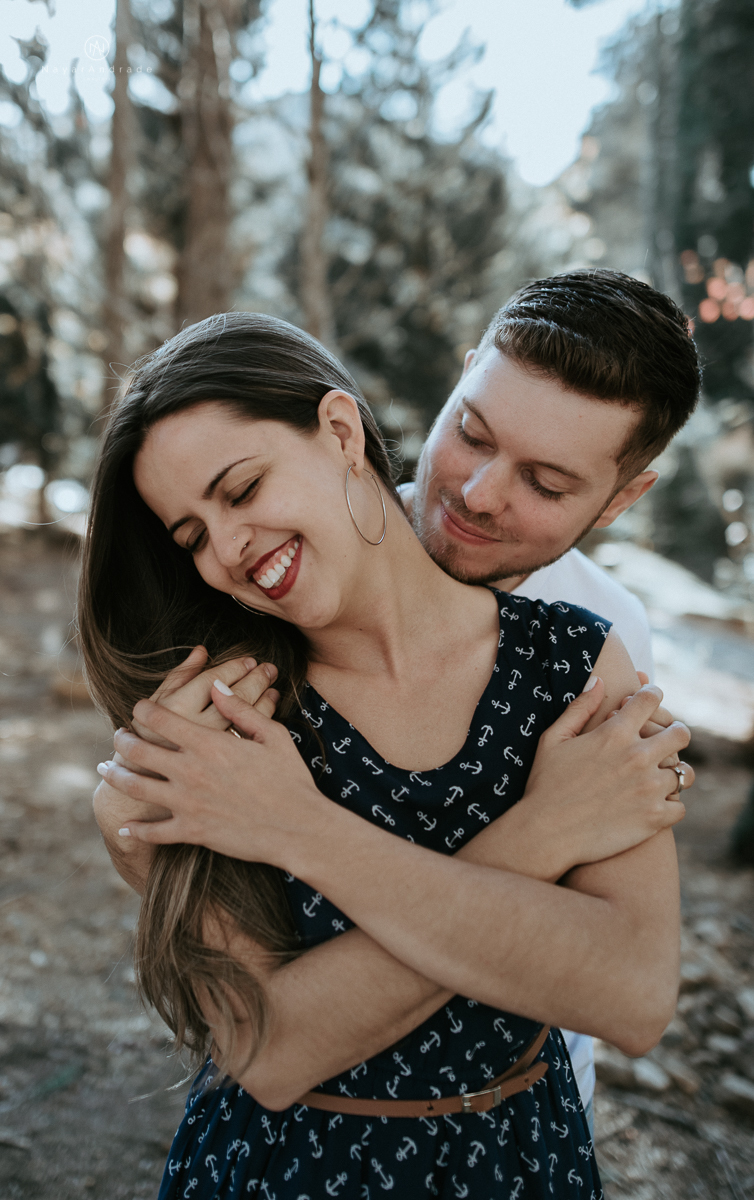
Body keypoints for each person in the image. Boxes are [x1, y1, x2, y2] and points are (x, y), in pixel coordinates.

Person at [85, 310, 691, 1199]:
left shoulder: (575, 659)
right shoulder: (223, 713)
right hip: (284, 1173)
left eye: (243, 489)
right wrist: (542, 833)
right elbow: (275, 1049)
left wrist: (295, 828)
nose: (227, 550)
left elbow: (633, 996)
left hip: (520, 1160)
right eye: (191, 535)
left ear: (338, 430)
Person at [401, 267, 702, 1116]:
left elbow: (608, 947)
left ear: (621, 499)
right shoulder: (305, 567)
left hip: (516, 1097)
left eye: (547, 483)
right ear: (462, 376)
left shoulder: (608, 635)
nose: (477, 492)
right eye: (471, 431)